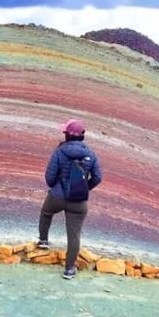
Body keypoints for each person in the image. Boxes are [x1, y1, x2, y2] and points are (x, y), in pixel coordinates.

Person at [37, 118, 102, 279]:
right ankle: (69, 269)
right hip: (78, 201)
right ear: (83, 135)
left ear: (66, 134)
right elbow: (97, 177)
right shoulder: (91, 154)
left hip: (57, 196)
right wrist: (84, 188)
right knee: (74, 235)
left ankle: (43, 241)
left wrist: (56, 187)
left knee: (46, 213)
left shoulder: (59, 152)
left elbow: (50, 177)